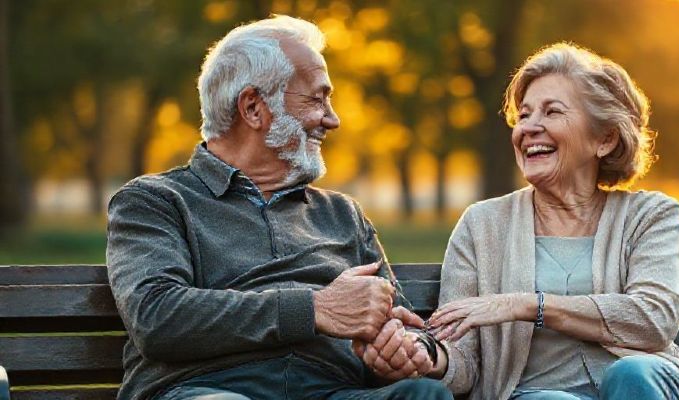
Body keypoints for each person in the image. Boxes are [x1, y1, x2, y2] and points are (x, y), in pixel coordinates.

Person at [106, 16, 451, 400]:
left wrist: (404, 348)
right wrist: (315, 308)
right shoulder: (156, 200)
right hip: (208, 389)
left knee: (424, 395)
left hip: (331, 391)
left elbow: (402, 320)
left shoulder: (341, 214)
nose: (332, 119)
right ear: (253, 108)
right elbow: (157, 316)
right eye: (317, 98)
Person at [424, 43, 679, 400]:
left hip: (640, 388)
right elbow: (461, 358)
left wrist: (528, 305)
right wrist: (430, 358)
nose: (529, 128)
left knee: (633, 373)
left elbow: (653, 319)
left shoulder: (649, 216)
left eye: (551, 113)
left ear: (605, 139)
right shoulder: (482, 225)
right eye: (525, 116)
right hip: (535, 394)